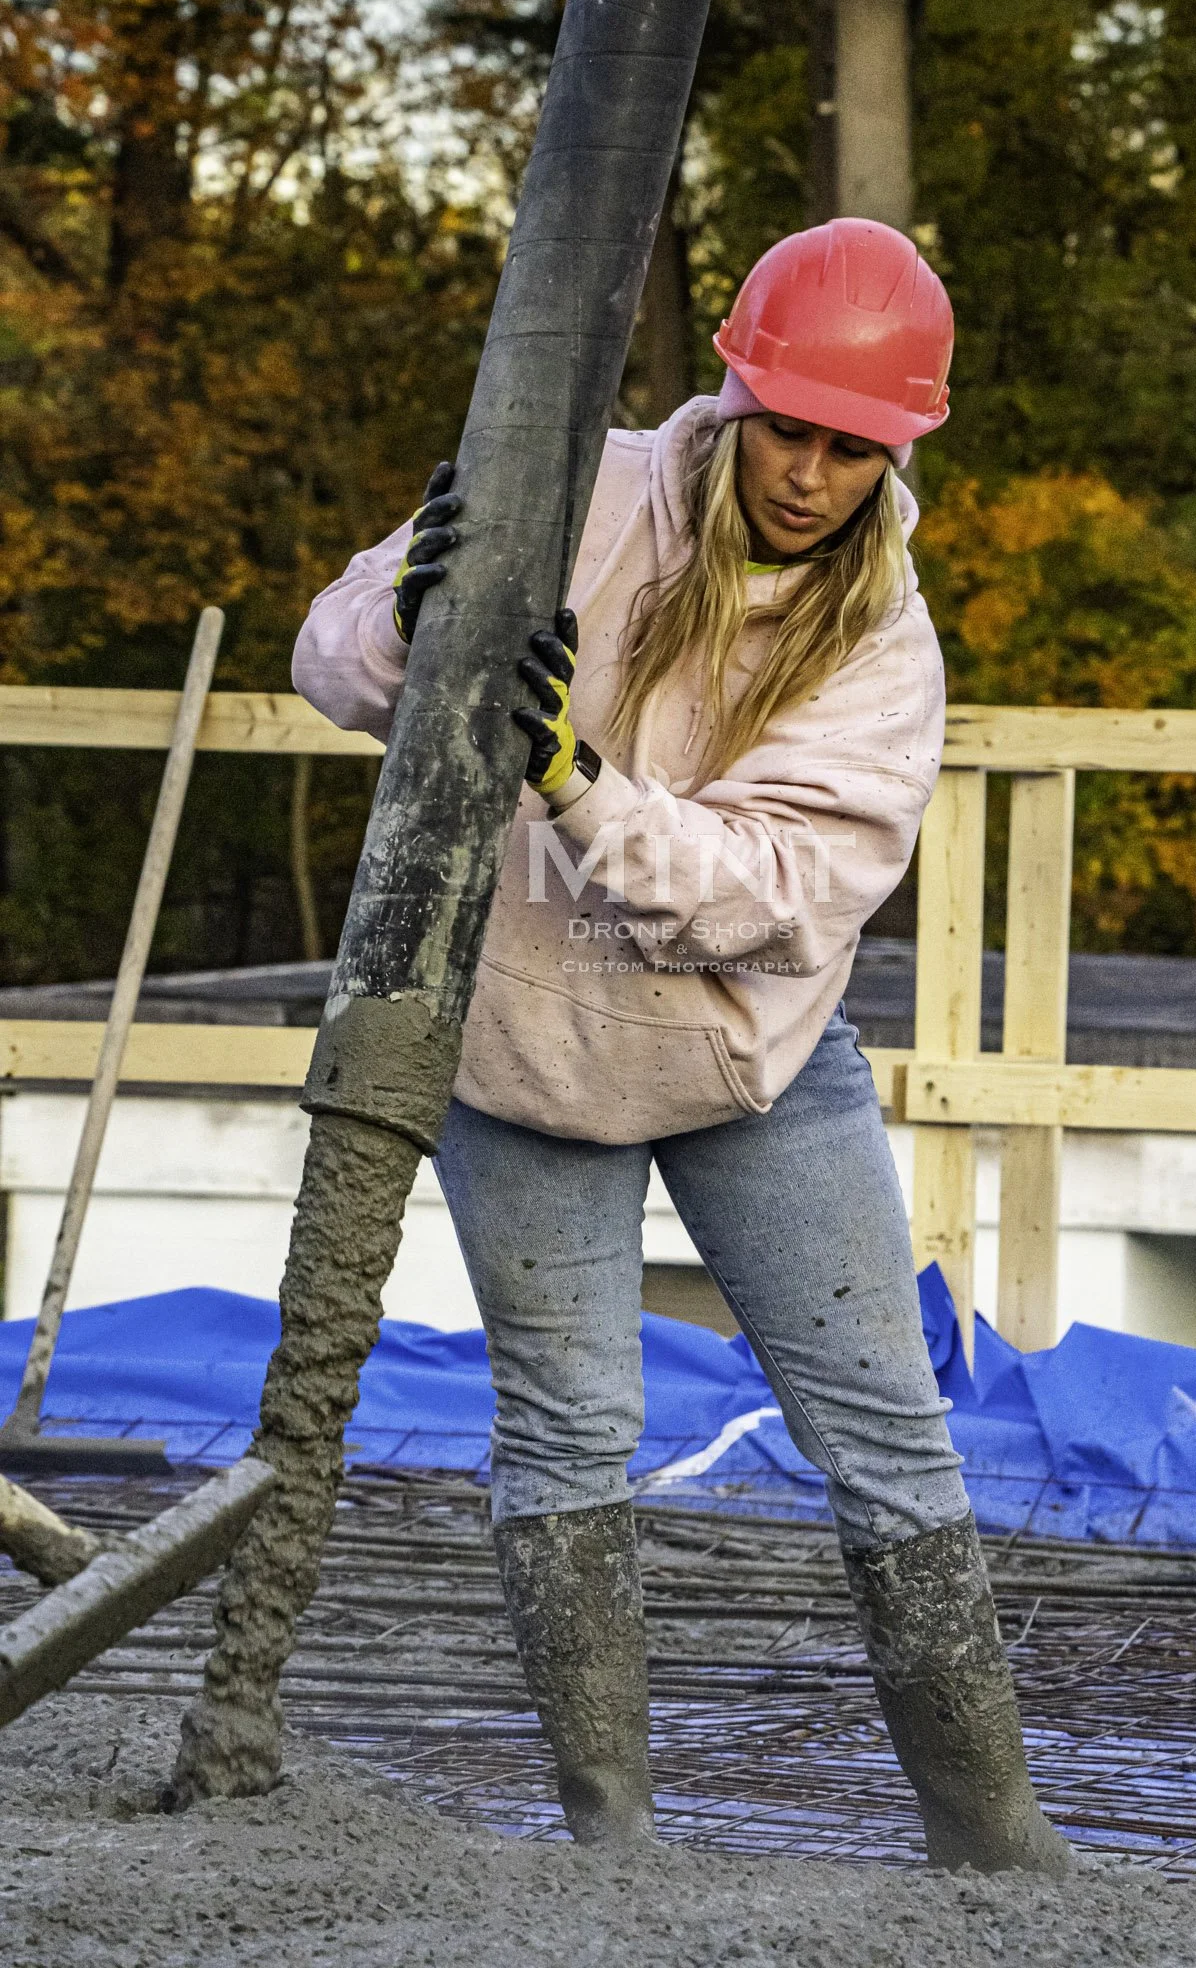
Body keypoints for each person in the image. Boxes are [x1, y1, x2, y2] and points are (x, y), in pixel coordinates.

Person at [294, 217, 1070, 1877]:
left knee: (883, 1429)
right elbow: (328, 661)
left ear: (899, 450)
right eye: (789, 428)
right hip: (517, 1047)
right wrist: (406, 628)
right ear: (735, 387)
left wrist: (575, 781)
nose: (809, 474)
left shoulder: (883, 649)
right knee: (569, 1429)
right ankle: (613, 1851)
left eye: (853, 449)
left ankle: (997, 1851)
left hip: (749, 1060)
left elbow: (773, 899)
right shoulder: (584, 488)